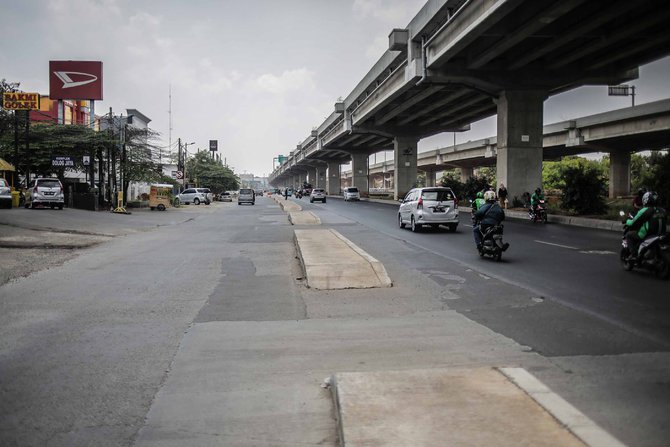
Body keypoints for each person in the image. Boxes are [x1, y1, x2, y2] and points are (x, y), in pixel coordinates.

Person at [625, 191, 667, 259]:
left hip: (647, 234)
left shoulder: (645, 210)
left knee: (629, 235)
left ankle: (634, 255)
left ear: (646, 199)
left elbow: (634, 222)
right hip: (661, 234)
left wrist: (627, 221)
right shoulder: (662, 210)